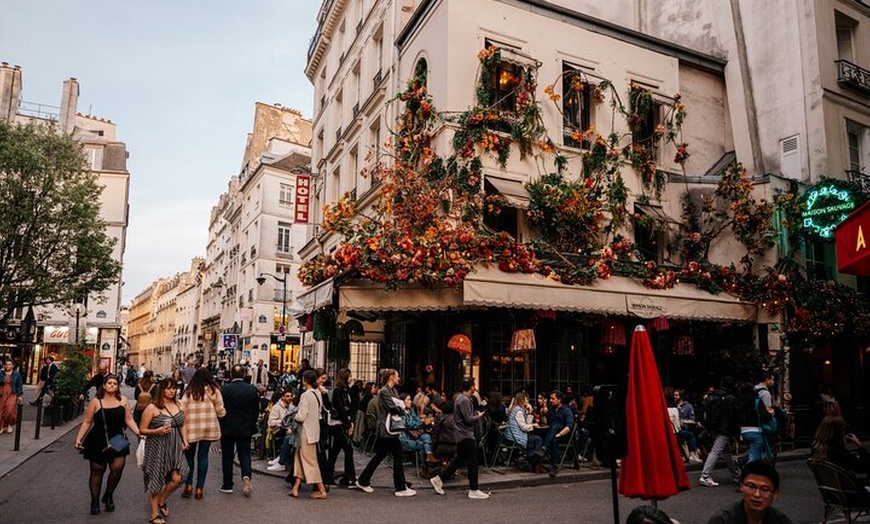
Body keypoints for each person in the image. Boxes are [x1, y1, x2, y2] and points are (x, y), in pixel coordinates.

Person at [73, 374, 140, 515]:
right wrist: (79, 438)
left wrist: (139, 433)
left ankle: (109, 494)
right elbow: (87, 421)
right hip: (98, 439)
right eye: (109, 383)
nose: (111, 385)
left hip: (117, 439)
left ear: (117, 386)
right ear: (103, 385)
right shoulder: (96, 402)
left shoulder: (123, 401)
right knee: (97, 471)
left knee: (117, 468)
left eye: (114, 383)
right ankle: (95, 501)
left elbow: (129, 420)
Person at [356, 368, 416, 497]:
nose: (398, 378)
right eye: (397, 376)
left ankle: (363, 480)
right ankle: (400, 487)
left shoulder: (393, 390)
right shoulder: (384, 391)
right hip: (386, 428)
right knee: (397, 454)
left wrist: (400, 407)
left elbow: (397, 405)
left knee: (381, 455)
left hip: (389, 428)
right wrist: (402, 408)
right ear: (391, 378)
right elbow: (393, 407)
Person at [430, 377, 489, 500]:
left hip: (461, 434)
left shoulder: (461, 398)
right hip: (465, 434)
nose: (475, 387)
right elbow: (467, 419)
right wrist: (478, 416)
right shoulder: (464, 400)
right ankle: (474, 489)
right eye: (474, 385)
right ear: (471, 387)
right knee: (473, 460)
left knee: (459, 460)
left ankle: (439, 479)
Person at [139, 377, 189, 524]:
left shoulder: (180, 405)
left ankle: (162, 499)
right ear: (161, 389)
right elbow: (142, 429)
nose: (171, 391)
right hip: (157, 447)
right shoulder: (152, 407)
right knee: (156, 480)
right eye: (168, 388)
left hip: (175, 447)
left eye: (174, 388)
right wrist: (157, 431)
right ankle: (154, 514)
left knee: (178, 478)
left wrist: (185, 441)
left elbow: (183, 424)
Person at [178, 367, 225, 500]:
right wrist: (220, 415)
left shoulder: (189, 391)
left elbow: (182, 409)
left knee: (189, 457)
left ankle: (188, 485)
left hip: (191, 427)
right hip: (208, 427)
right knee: (203, 456)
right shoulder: (214, 391)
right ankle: (200, 488)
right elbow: (220, 410)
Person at [706, 460, 794, 524]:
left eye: (764, 489)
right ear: (741, 486)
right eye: (751, 487)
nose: (757, 494)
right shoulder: (722, 520)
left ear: (775, 493)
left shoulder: (781, 521)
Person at [219, 364, 258, 496]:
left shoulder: (224, 390)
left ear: (230, 375)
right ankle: (246, 476)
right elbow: (255, 411)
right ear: (244, 375)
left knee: (227, 456)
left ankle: (227, 484)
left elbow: (221, 410)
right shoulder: (252, 390)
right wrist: (251, 423)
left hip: (228, 428)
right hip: (245, 427)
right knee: (245, 454)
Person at [288, 369, 328, 499]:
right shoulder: (317, 394)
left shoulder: (306, 395)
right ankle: (295, 488)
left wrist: (293, 416)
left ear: (305, 380)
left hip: (306, 432)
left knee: (310, 461)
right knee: (300, 459)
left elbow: (301, 416)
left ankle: (322, 490)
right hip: (314, 430)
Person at [699, 385, 741, 487]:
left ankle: (736, 474)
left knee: (725, 451)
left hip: (714, 427)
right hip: (725, 429)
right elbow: (732, 416)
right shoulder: (729, 398)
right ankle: (705, 475)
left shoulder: (712, 398)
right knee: (716, 451)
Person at [325, 368, 358, 487]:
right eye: (349, 377)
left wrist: (351, 422)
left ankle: (328, 476)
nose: (351, 379)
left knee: (335, 451)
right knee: (348, 449)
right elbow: (340, 408)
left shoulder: (346, 390)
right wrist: (348, 424)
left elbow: (351, 407)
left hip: (343, 423)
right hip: (338, 424)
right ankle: (350, 478)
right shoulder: (338, 391)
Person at [505, 391, 546, 473]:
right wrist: (533, 426)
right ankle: (534, 461)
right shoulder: (519, 411)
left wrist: (529, 412)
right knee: (538, 439)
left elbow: (527, 423)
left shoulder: (518, 409)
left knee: (535, 439)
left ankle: (535, 463)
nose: (528, 401)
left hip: (513, 436)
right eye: (526, 399)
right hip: (516, 438)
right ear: (522, 400)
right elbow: (524, 427)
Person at [398, 393, 436, 470]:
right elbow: (408, 424)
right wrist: (418, 424)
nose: (410, 401)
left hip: (414, 434)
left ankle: (429, 455)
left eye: (410, 399)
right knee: (423, 445)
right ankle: (424, 468)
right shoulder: (400, 412)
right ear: (402, 402)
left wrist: (417, 423)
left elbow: (417, 420)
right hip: (406, 438)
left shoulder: (411, 410)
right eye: (408, 400)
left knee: (427, 436)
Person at [542, 389, 574, 477]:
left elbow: (569, 427)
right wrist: (543, 412)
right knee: (552, 437)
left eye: (553, 399)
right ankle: (552, 466)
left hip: (564, 434)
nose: (550, 400)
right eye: (550, 399)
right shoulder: (551, 409)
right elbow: (545, 421)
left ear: (559, 399)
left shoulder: (566, 411)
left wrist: (559, 434)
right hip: (552, 434)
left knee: (556, 426)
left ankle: (544, 449)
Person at [266, 389, 295, 472]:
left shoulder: (292, 407)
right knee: (288, 437)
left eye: (290, 396)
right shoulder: (276, 407)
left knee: (290, 435)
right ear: (282, 397)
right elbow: (271, 422)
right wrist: (283, 423)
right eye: (287, 396)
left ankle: (280, 457)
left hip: (289, 428)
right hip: (278, 429)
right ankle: (281, 461)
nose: (289, 398)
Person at [0, 359, 24, 433]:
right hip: (2, 393)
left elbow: (19, 385)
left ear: (13, 366)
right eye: (6, 364)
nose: (7, 366)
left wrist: (19, 395)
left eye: (9, 364)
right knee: (1, 410)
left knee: (10, 410)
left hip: (12, 393)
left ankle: (10, 424)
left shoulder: (17, 374)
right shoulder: (1, 373)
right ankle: (2, 426)